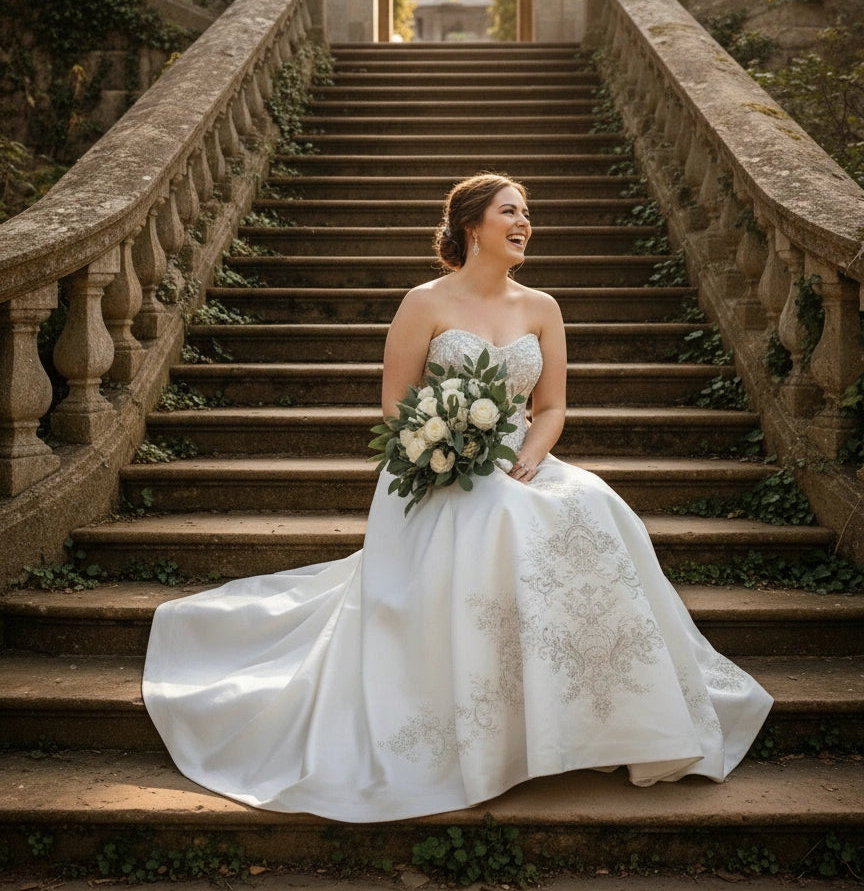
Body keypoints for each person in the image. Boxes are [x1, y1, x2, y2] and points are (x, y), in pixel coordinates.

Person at [143, 172, 773, 822]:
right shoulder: (424, 303)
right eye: (510, 211)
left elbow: (552, 406)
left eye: (527, 212)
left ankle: (606, 716)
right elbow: (394, 407)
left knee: (597, 504)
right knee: (498, 517)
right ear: (473, 225)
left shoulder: (542, 309)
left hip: (523, 460)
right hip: (433, 465)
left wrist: (530, 454)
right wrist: (442, 452)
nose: (524, 222)